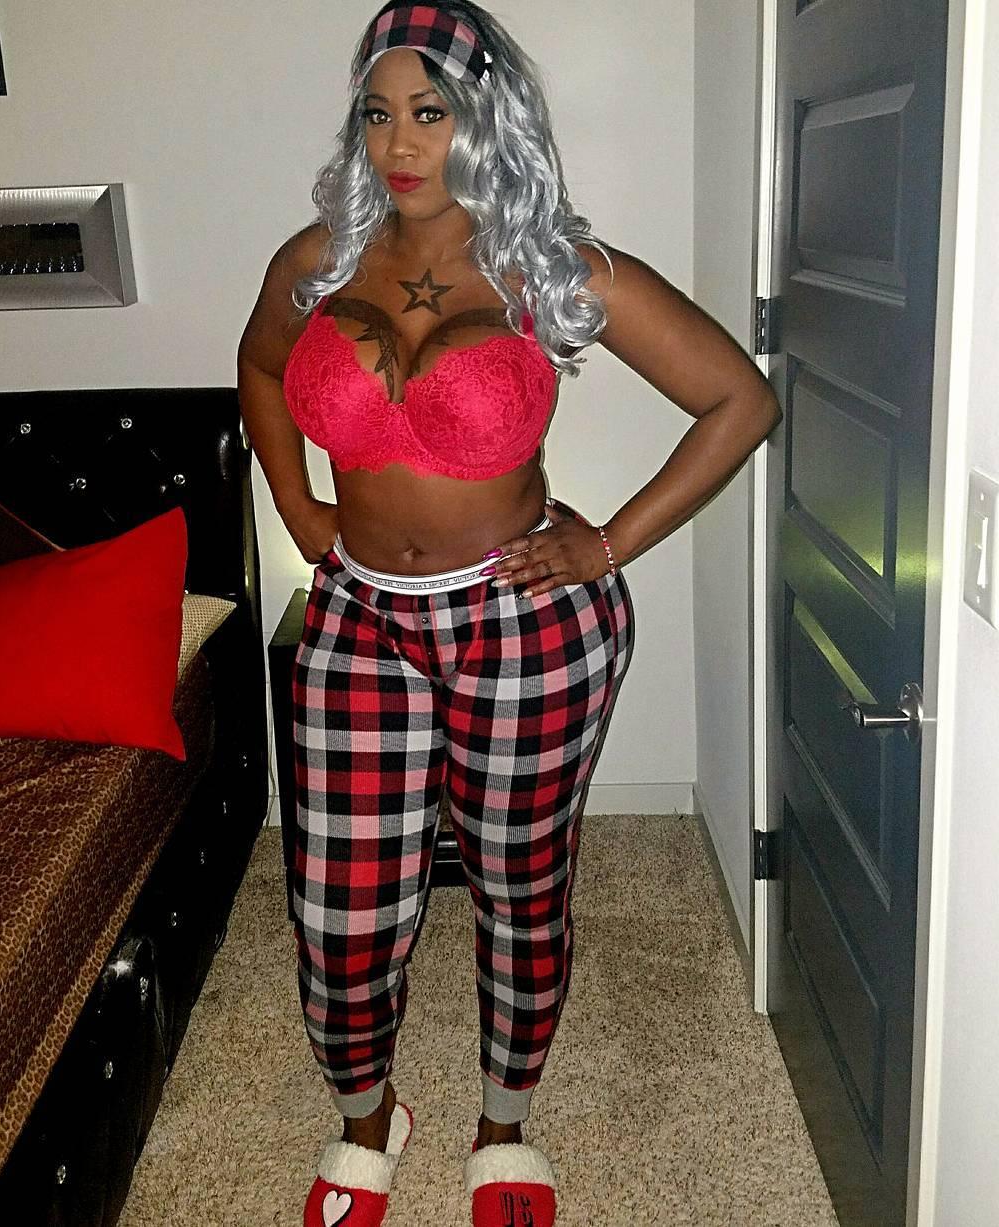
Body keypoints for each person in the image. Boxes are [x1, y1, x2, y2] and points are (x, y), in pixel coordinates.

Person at [238, 3, 780, 1224]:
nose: (399, 144)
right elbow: (260, 368)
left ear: (488, 120)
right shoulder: (317, 259)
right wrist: (296, 505)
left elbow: (738, 401)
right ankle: (367, 1121)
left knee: (519, 885)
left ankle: (503, 1126)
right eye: (378, 113)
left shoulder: (549, 266)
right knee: (338, 905)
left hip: (521, 623)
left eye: (431, 112)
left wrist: (607, 544)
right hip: (360, 618)